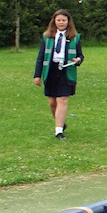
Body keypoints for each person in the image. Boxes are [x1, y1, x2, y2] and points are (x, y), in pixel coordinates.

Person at [33, 9, 83, 140]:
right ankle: (60, 123)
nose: (61, 22)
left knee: (62, 100)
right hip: (51, 70)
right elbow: (41, 57)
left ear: (68, 22)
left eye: (64, 20)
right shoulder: (47, 37)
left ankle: (59, 131)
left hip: (66, 70)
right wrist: (37, 75)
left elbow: (80, 55)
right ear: (54, 22)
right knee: (52, 102)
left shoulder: (75, 38)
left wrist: (78, 60)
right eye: (59, 20)